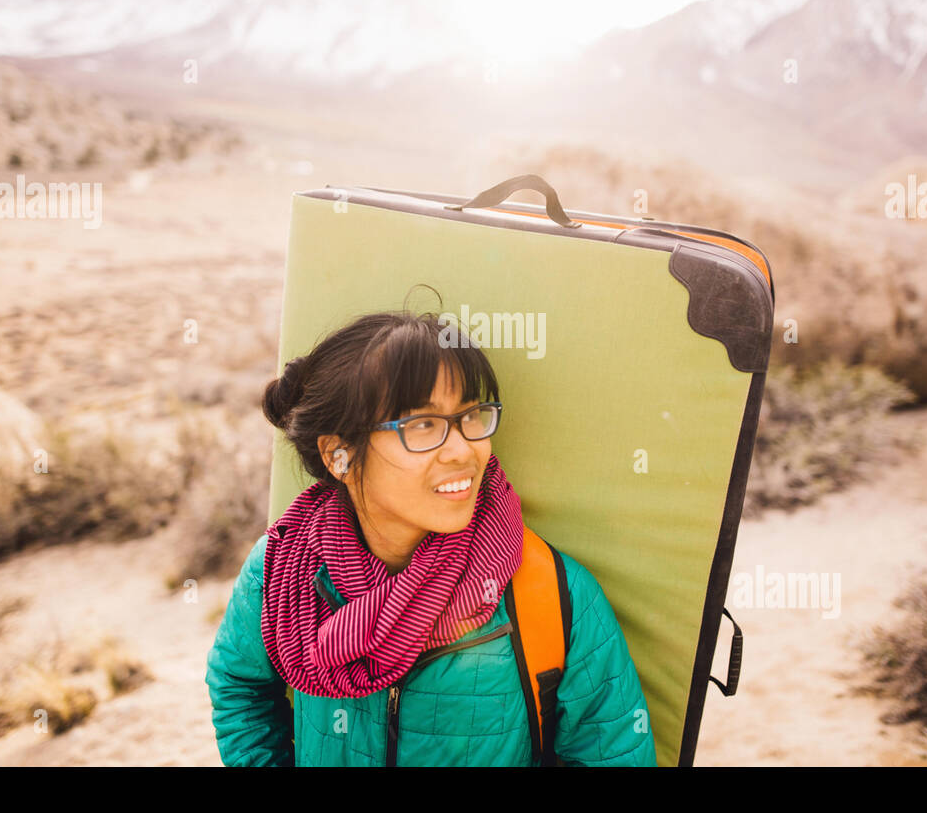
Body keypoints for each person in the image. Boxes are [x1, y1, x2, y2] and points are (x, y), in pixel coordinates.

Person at [205, 310, 655, 766]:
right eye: (422, 424)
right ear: (338, 454)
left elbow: (612, 752)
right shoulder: (283, 569)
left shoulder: (553, 594)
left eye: (471, 416)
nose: (463, 450)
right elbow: (241, 685)